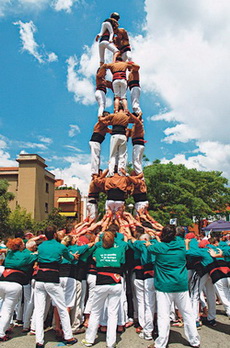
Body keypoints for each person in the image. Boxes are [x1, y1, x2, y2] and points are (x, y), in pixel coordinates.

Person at [146, 225, 200, 348]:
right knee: (187, 313)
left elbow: (150, 247)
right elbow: (181, 242)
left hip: (164, 286)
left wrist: (155, 236)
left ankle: (161, 343)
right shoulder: (181, 245)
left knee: (163, 315)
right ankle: (194, 340)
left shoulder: (158, 247)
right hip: (180, 284)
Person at [34, 226, 78, 348]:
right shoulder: (60, 247)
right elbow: (69, 258)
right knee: (62, 307)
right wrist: (74, 257)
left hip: (40, 278)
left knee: (39, 310)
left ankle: (39, 340)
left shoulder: (41, 246)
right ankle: (68, 336)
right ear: (54, 235)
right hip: (52, 278)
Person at [82, 231, 126, 348]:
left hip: (101, 282)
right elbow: (122, 262)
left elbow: (88, 256)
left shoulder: (98, 250)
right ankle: (111, 343)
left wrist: (96, 244)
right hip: (116, 282)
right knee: (113, 313)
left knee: (95, 312)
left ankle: (89, 339)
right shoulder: (119, 250)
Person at [0, 238, 37, 341]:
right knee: (8, 309)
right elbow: (35, 256)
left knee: (4, 307)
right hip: (15, 283)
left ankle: (6, 326)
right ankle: (1, 333)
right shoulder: (26, 256)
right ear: (21, 245)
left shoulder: (9, 254)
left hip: (2, 281)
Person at [99, 108, 141, 176]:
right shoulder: (126, 117)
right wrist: (138, 115)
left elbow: (102, 120)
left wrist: (100, 116)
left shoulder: (114, 115)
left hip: (115, 135)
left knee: (112, 155)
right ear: (124, 109)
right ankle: (121, 172)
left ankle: (111, 172)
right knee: (122, 155)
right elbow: (136, 120)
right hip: (123, 137)